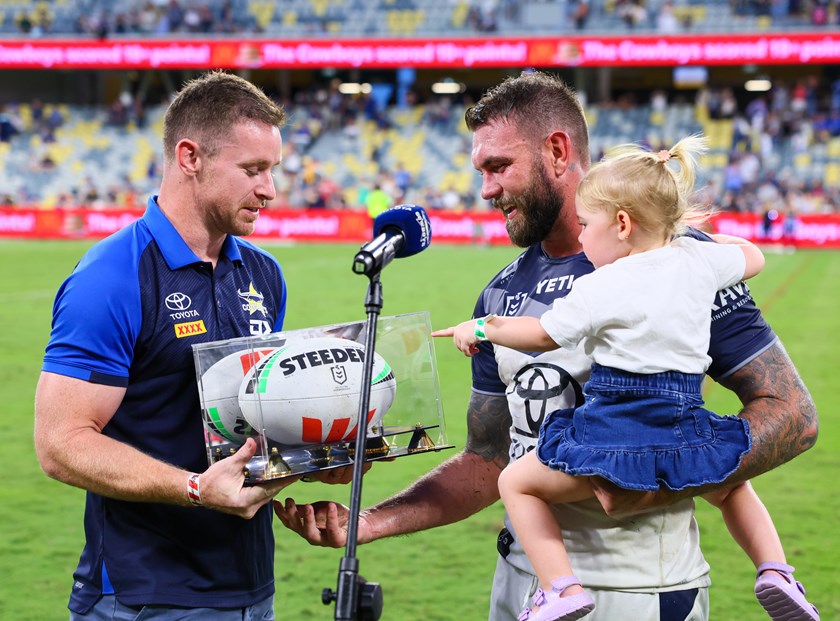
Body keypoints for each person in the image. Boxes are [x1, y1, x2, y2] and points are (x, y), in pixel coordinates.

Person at [274, 71, 818, 621]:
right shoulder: (501, 292)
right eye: (481, 171)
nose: (486, 189)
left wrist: (654, 483)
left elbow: (792, 413)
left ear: (557, 151)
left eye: (498, 167)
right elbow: (488, 459)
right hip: (521, 587)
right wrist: (369, 522)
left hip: (634, 593)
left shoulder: (673, 264)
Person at [434, 136, 818, 621]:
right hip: (682, 419)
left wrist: (484, 327)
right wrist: (700, 245)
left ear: (621, 224)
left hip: (619, 423)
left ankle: (562, 589)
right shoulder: (697, 260)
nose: (581, 239)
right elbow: (753, 257)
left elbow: (541, 335)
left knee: (517, 482)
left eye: (588, 226)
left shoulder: (601, 285)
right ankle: (775, 570)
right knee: (729, 484)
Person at [33, 71, 347, 620]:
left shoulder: (263, 273)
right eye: (253, 170)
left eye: (273, 170)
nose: (270, 189)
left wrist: (319, 450)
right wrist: (196, 489)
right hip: (143, 596)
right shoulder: (113, 275)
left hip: (251, 588)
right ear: (189, 157)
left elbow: (248, 417)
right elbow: (59, 443)